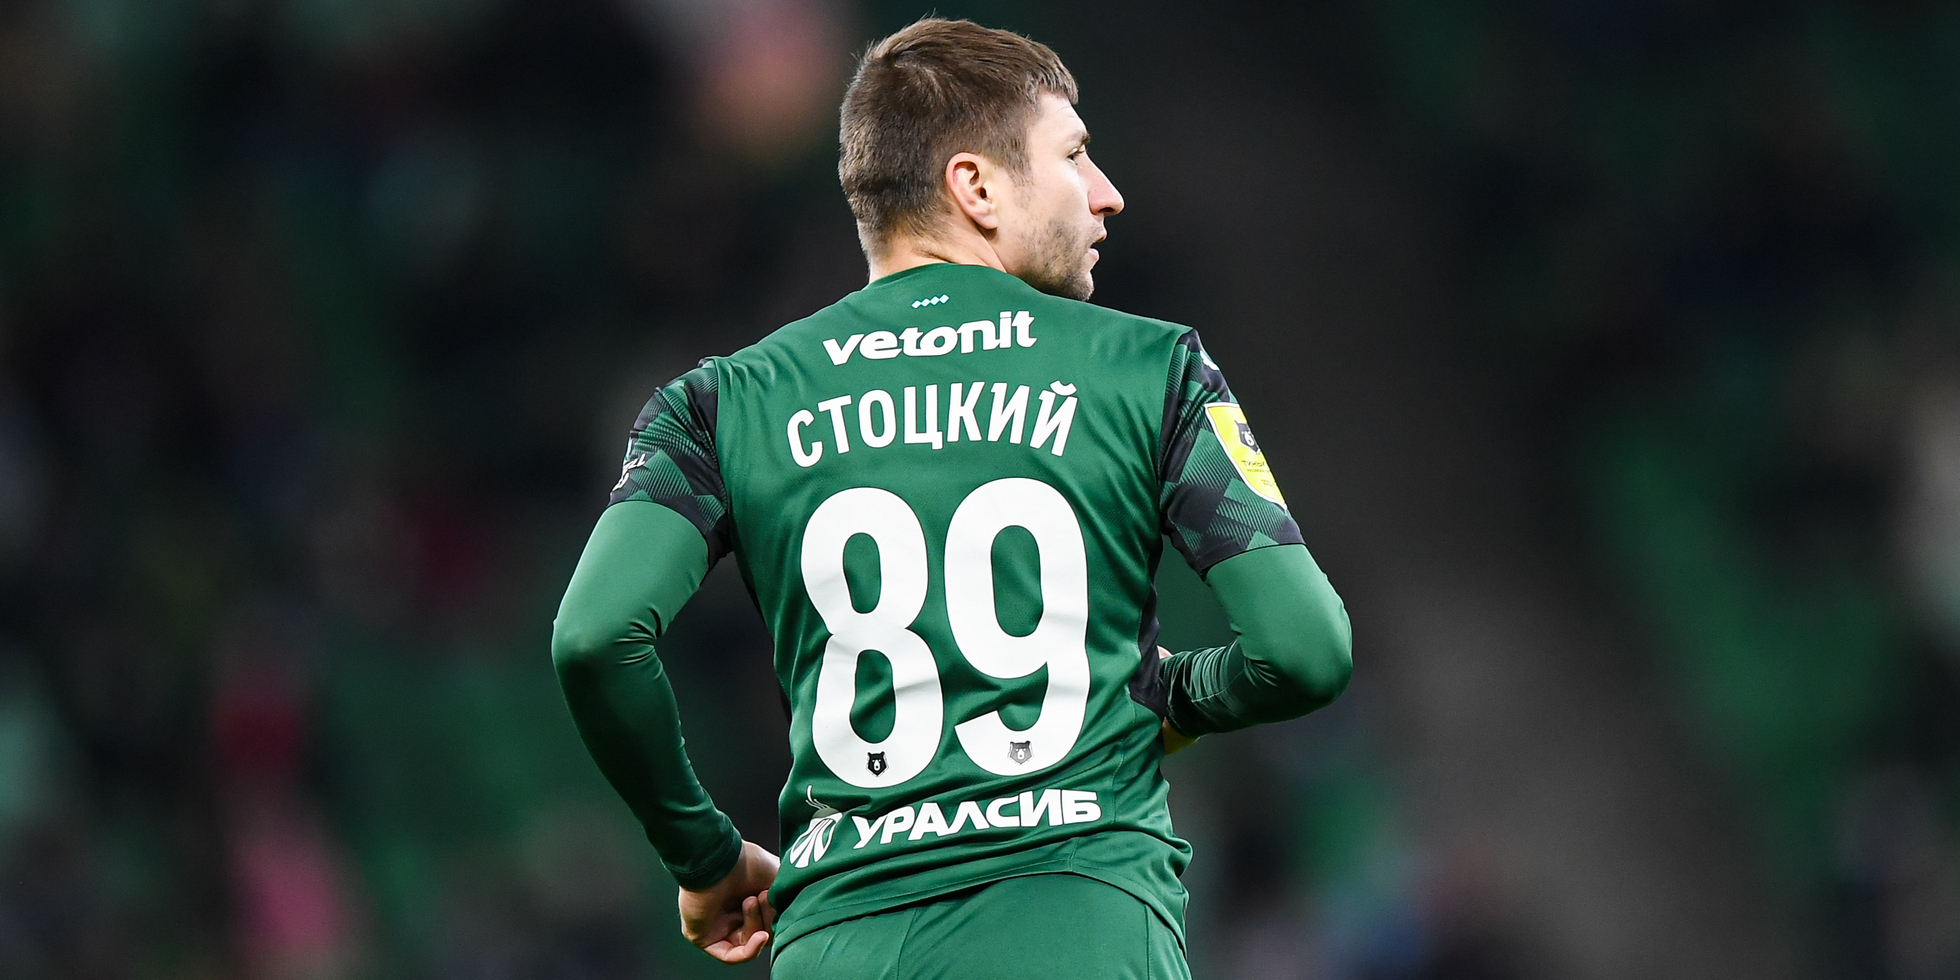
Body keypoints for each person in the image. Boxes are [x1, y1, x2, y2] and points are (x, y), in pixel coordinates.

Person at [549, 16, 1352, 979]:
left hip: (841, 942)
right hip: (1082, 927)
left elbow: (593, 637)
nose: (1107, 193)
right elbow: (1305, 652)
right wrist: (1170, 695)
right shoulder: (1153, 370)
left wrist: (704, 855)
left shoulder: (719, 404)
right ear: (975, 187)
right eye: (1074, 155)